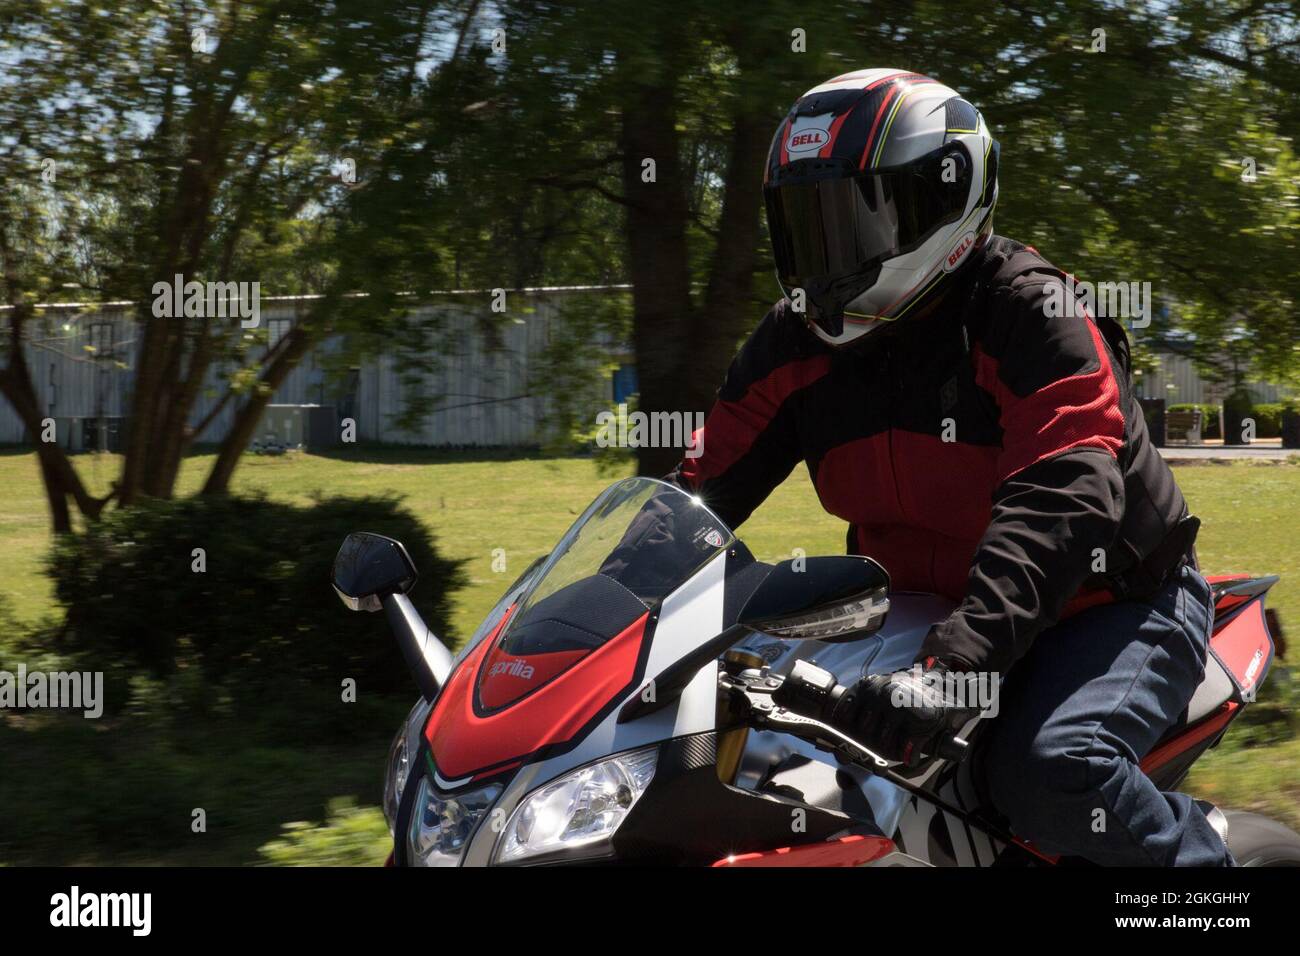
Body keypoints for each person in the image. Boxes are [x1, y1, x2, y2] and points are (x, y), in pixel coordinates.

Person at [667, 68, 1230, 866]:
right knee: (751, 765)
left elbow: (1062, 501)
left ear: (944, 197)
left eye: (854, 218)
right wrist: (591, 630)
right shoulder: (792, 341)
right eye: (807, 224)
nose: (827, 255)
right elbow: (694, 495)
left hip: (1108, 604)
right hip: (922, 608)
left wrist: (953, 669)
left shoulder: (1033, 314)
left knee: (1050, 770)